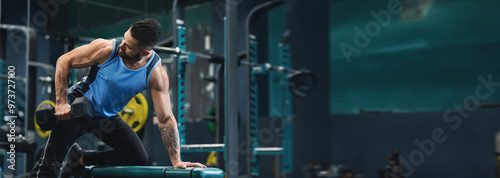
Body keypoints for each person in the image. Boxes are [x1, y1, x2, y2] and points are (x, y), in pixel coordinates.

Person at [29, 19, 206, 178]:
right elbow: (64, 61)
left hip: (107, 116)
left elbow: (166, 118)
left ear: (144, 52)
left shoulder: (155, 74)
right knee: (48, 168)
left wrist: (176, 160)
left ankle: (80, 158)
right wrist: (60, 103)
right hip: (77, 106)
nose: (122, 45)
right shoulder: (106, 49)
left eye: (129, 46)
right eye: (124, 39)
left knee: (137, 158)